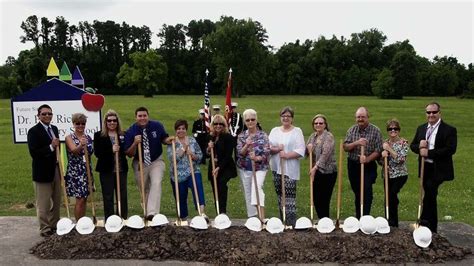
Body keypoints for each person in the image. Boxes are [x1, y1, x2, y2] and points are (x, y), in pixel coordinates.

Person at [410, 102, 457, 233]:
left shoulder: (449, 129)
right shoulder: (421, 128)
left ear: (439, 113)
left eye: (434, 112)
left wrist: (429, 153)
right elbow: (413, 146)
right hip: (425, 168)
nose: (431, 115)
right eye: (428, 112)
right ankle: (431, 227)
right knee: (430, 195)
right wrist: (419, 147)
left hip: (439, 169)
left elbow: (450, 149)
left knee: (430, 192)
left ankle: (424, 223)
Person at [124, 107, 172, 221]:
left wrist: (168, 140)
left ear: (148, 116)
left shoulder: (157, 126)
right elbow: (129, 153)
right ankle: (147, 212)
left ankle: (153, 214)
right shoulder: (131, 131)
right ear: (136, 117)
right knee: (144, 188)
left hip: (156, 160)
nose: (142, 118)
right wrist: (135, 143)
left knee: (156, 182)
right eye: (140, 116)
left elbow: (164, 138)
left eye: (144, 115)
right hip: (140, 162)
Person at [27, 104, 61, 237]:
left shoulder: (54, 129)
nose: (47, 116)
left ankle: (54, 225)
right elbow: (34, 153)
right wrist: (51, 147)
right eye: (44, 114)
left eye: (49, 114)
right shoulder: (33, 131)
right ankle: (45, 228)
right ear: (38, 116)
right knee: (43, 203)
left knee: (57, 201)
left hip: (55, 170)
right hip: (42, 173)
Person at [268, 106, 305, 227]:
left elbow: (301, 150)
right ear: (280, 117)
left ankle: (291, 222)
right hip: (276, 167)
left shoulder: (297, 131)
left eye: (288, 116)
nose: (286, 118)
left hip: (290, 169)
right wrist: (277, 149)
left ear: (292, 118)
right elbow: (268, 148)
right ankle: (282, 220)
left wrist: (287, 155)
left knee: (289, 197)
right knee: (280, 195)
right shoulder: (274, 131)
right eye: (283, 116)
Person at [343, 107, 383, 218]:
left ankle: (365, 217)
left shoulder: (375, 131)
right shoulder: (352, 130)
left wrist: (367, 159)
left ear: (367, 117)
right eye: (358, 117)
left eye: (363, 117)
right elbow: (345, 147)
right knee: (357, 192)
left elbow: (378, 150)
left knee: (366, 191)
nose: (360, 119)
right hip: (353, 165)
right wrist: (356, 143)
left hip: (368, 165)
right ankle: (358, 216)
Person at [167, 119, 207, 220]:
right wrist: (183, 149)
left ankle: (201, 213)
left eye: (183, 128)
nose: (181, 131)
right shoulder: (172, 142)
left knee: (198, 187)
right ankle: (183, 217)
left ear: (186, 129)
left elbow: (200, 156)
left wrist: (192, 155)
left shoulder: (192, 140)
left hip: (193, 170)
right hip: (178, 174)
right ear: (175, 130)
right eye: (179, 129)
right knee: (181, 196)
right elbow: (172, 159)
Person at [93, 110, 128, 220]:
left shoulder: (123, 134)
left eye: (114, 120)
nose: (112, 123)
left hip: (121, 169)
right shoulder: (99, 135)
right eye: (109, 120)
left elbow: (126, 150)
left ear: (117, 122)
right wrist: (111, 150)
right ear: (105, 122)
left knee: (122, 195)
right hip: (106, 170)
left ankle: (122, 217)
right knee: (108, 195)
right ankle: (110, 219)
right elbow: (97, 153)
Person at [236, 109, 270, 220]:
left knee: (257, 187)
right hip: (245, 168)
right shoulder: (241, 136)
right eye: (248, 120)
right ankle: (252, 218)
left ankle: (262, 217)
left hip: (260, 168)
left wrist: (256, 158)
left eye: (253, 119)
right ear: (245, 122)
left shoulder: (263, 135)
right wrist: (247, 144)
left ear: (256, 120)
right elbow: (240, 153)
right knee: (248, 192)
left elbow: (266, 152)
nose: (250, 122)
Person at [306, 114, 337, 219]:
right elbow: (307, 153)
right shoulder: (312, 137)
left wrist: (315, 168)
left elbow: (325, 154)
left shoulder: (328, 136)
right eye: (316, 123)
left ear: (325, 125)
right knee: (316, 198)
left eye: (320, 123)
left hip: (328, 172)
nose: (318, 125)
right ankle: (321, 219)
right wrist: (308, 149)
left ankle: (325, 220)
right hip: (316, 171)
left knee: (324, 198)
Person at [64, 113, 94, 221]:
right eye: (78, 123)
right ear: (73, 124)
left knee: (85, 198)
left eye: (83, 123)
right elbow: (74, 151)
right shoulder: (69, 138)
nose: (80, 126)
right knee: (80, 199)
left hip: (86, 170)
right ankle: (78, 223)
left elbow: (90, 153)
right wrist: (81, 145)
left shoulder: (88, 137)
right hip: (76, 172)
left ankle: (83, 221)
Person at [207, 114, 237, 214]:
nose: (218, 126)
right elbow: (206, 154)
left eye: (221, 124)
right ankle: (218, 212)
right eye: (216, 124)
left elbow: (228, 156)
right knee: (215, 188)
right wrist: (208, 148)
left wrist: (218, 168)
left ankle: (223, 212)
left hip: (225, 166)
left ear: (224, 125)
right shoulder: (210, 137)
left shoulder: (228, 137)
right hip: (213, 166)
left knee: (221, 184)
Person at [380, 118, 408, 227]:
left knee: (392, 195)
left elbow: (401, 160)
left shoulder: (403, 143)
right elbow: (380, 160)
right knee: (387, 197)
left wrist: (389, 150)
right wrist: (383, 160)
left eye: (395, 129)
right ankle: (388, 220)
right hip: (387, 175)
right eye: (390, 129)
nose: (393, 131)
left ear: (399, 130)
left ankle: (394, 222)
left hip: (400, 175)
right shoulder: (385, 143)